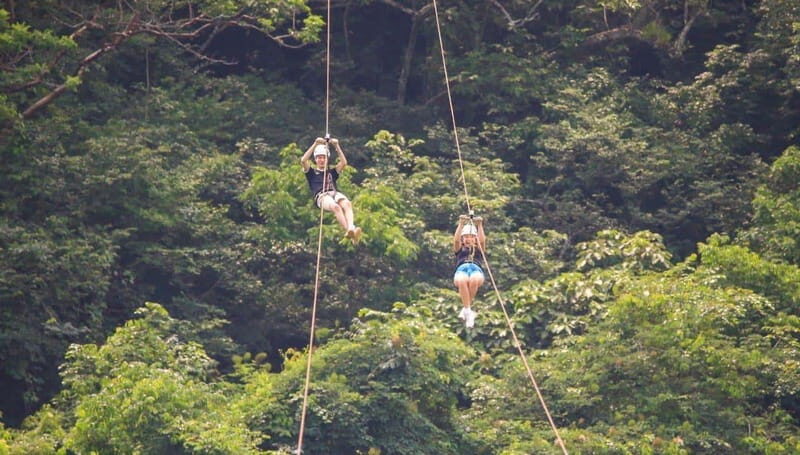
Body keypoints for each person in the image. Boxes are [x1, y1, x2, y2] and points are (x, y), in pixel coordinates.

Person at [301, 137, 362, 243]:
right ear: (315, 159)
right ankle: (348, 230)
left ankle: (352, 228)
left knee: (347, 204)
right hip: (322, 196)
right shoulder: (311, 173)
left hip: (333, 192)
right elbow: (303, 160)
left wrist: (336, 146)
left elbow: (343, 163)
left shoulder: (332, 172)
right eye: (319, 158)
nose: (321, 160)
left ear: (327, 159)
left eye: (323, 158)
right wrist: (315, 144)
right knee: (336, 207)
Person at [453, 214, 486, 328]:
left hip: (476, 269)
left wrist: (480, 225)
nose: (468, 239)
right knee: (462, 280)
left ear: (475, 239)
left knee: (474, 279)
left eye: (471, 236)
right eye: (466, 237)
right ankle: (468, 311)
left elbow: (482, 241)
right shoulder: (459, 250)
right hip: (462, 269)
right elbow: (456, 240)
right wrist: (461, 224)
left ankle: (466, 309)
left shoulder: (478, 250)